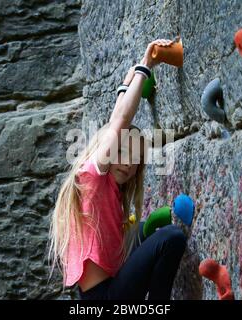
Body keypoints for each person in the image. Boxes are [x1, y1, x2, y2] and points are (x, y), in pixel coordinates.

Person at [48, 39, 187, 300]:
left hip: (107, 292)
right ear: (108, 150)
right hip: (104, 298)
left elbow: (115, 121)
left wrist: (127, 84)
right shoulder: (91, 177)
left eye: (135, 158)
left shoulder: (109, 189)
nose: (127, 162)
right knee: (171, 238)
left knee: (145, 231)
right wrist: (145, 65)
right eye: (121, 152)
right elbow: (119, 123)